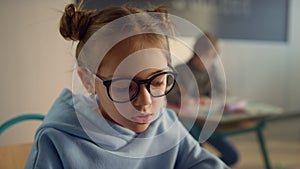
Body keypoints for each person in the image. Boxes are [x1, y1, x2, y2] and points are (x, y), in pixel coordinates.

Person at [25, 3, 229, 169]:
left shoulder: (165, 124)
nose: (145, 102)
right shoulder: (56, 142)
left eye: (158, 82)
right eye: (125, 87)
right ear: (88, 81)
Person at [167, 32, 239, 166]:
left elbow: (223, 92)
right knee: (192, 154)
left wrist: (208, 100)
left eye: (211, 57)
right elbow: (168, 93)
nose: (207, 60)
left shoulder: (213, 70)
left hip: (208, 123)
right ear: (195, 53)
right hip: (188, 124)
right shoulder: (180, 70)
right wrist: (181, 99)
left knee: (233, 156)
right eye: (204, 56)